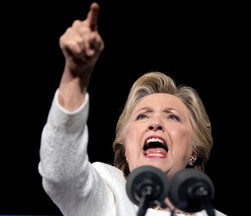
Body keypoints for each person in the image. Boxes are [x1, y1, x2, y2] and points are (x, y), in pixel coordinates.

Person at [38, 2, 227, 216]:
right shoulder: (109, 191)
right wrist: (74, 77)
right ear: (126, 147)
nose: (155, 124)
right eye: (142, 116)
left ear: (194, 151)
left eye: (173, 117)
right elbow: (60, 173)